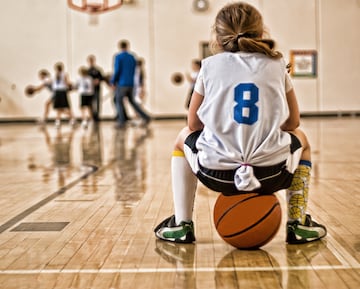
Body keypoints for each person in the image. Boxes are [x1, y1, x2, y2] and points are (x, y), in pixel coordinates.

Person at [154, 2, 327, 245]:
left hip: (217, 174)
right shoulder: (277, 65)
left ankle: (182, 223)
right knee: (303, 139)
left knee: (182, 137)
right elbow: (293, 121)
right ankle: (297, 223)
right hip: (274, 172)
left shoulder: (209, 66)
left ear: (218, 36)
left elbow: (193, 123)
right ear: (261, 33)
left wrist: (223, 132)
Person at [110, 40, 151, 128]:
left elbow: (117, 70)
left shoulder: (118, 57)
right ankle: (146, 116)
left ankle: (122, 121)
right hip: (131, 83)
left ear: (120, 47)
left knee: (118, 101)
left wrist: (113, 82)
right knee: (132, 102)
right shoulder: (132, 57)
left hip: (122, 83)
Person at [52, 62, 76, 129]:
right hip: (62, 91)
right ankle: (72, 120)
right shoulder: (64, 74)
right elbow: (67, 82)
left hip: (56, 92)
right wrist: (74, 85)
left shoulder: (54, 74)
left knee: (58, 108)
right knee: (67, 107)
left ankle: (58, 121)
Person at [87, 55, 104, 122]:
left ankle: (97, 116)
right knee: (90, 103)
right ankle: (92, 115)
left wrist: (98, 80)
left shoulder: (97, 70)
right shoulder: (87, 71)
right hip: (89, 90)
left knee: (97, 102)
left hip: (97, 89)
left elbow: (102, 78)